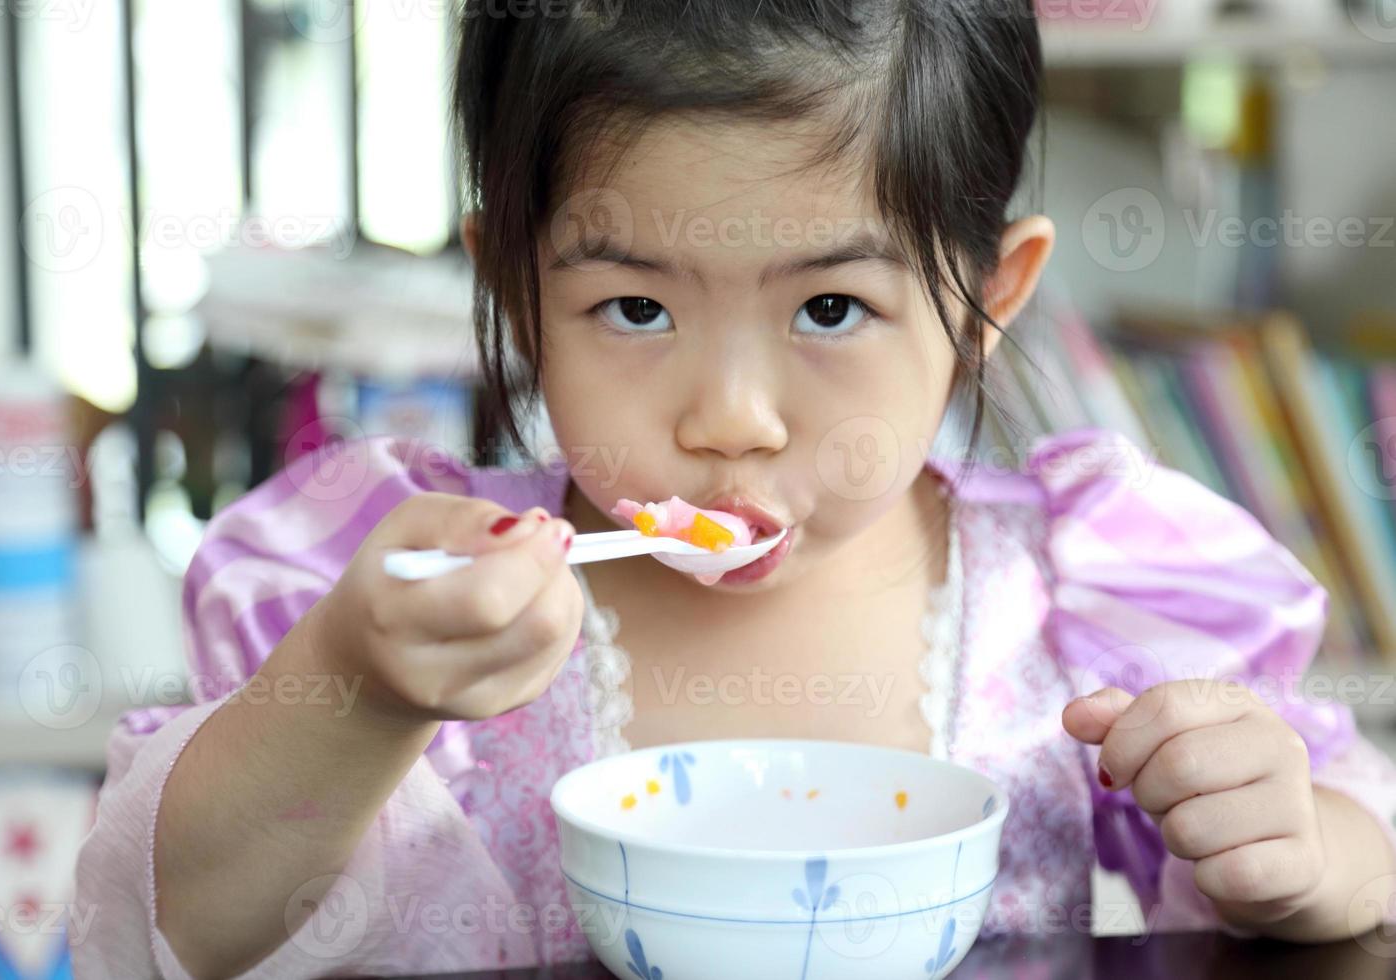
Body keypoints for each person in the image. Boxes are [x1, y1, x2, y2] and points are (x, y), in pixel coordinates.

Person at [72, 1, 1396, 976]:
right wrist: (360, 692)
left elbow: (1357, 847)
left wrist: (1306, 853)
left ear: (989, 297)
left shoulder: (1086, 586)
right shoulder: (403, 593)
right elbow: (178, 931)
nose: (729, 419)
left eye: (830, 306)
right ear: (516, 291)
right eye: (633, 308)